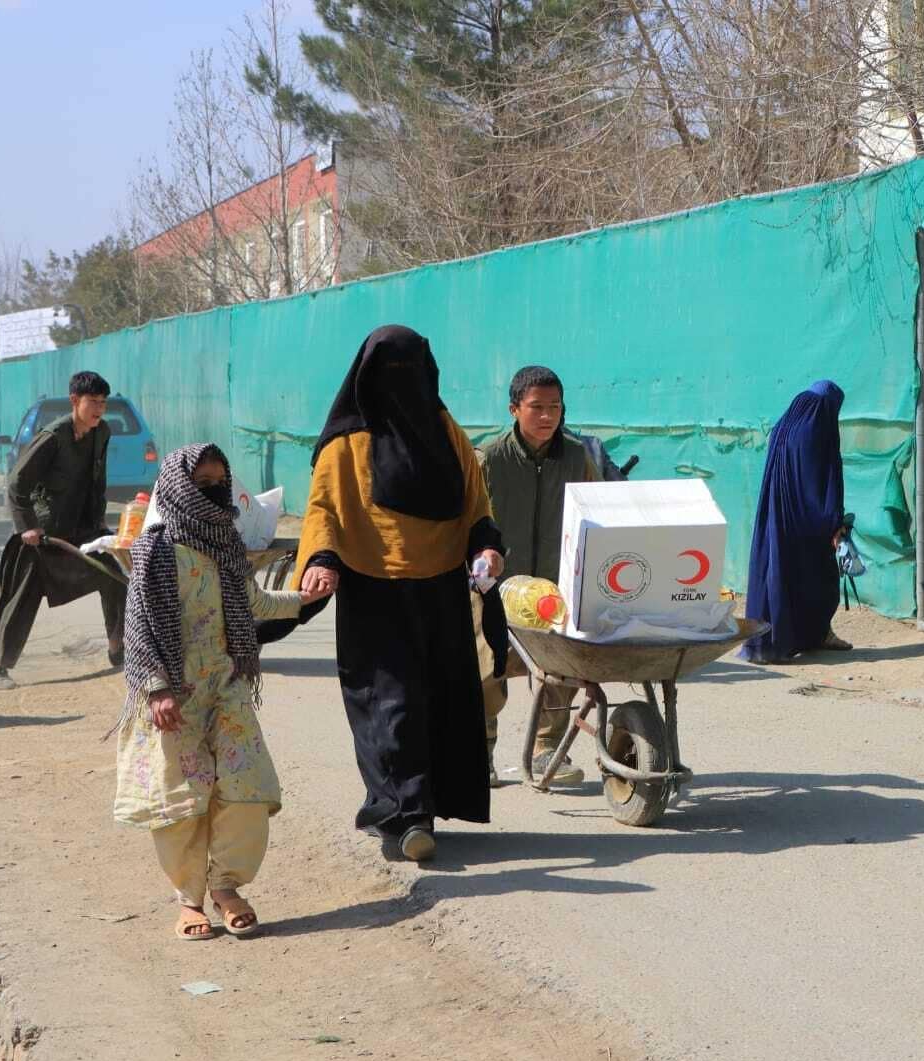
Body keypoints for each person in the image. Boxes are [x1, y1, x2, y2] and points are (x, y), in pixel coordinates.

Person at [294, 325, 505, 864]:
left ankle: (426, 806)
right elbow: (323, 510)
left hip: (440, 586)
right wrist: (320, 560)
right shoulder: (347, 443)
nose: (402, 383)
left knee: (442, 698)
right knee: (391, 703)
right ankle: (401, 815)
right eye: (391, 372)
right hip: (373, 589)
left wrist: (486, 544)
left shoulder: (444, 430)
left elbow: (475, 500)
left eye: (411, 370)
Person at [113, 444, 324, 941]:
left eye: (218, 481)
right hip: (173, 694)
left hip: (226, 685)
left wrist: (308, 598)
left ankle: (227, 887)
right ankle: (190, 900)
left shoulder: (225, 541)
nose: (212, 490)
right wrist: (157, 689)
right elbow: (139, 626)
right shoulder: (155, 549)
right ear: (178, 487)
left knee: (245, 786)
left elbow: (253, 602)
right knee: (183, 801)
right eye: (201, 482)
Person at [475, 366, 602, 787]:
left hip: (554, 586)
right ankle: (481, 752)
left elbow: (596, 511)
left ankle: (548, 749)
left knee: (558, 670)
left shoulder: (576, 456)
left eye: (555, 407)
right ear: (514, 409)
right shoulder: (488, 458)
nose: (547, 416)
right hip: (495, 586)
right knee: (486, 672)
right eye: (536, 408)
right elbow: (468, 518)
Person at [0, 370, 126, 690]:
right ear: (75, 401)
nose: (99, 409)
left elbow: (96, 481)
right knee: (21, 597)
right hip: (43, 533)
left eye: (104, 403)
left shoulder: (101, 432)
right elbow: (17, 484)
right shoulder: (51, 438)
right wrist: (27, 527)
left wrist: (99, 524)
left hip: (82, 527)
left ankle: (119, 649)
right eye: (93, 402)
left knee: (114, 574)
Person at [741, 380, 852, 664]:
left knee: (779, 576)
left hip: (777, 518)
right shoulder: (815, 428)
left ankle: (782, 641)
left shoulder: (784, 425)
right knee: (820, 579)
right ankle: (813, 636)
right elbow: (818, 480)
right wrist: (833, 522)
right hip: (804, 520)